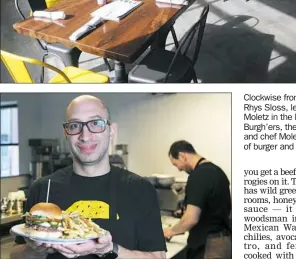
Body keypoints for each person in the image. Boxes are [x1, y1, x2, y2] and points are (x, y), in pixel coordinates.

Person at [11, 95, 166, 259]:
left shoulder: (140, 189)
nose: (85, 136)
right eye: (75, 125)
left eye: (95, 123)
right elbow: (15, 255)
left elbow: (158, 257)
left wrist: (109, 249)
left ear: (111, 130)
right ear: (66, 132)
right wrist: (36, 250)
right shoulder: (43, 187)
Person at [163, 141, 231, 259]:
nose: (179, 169)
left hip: (211, 246)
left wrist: (171, 231)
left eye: (176, 164)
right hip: (224, 240)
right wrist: (180, 229)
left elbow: (191, 219)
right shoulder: (217, 172)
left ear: (182, 156)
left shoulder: (198, 176)